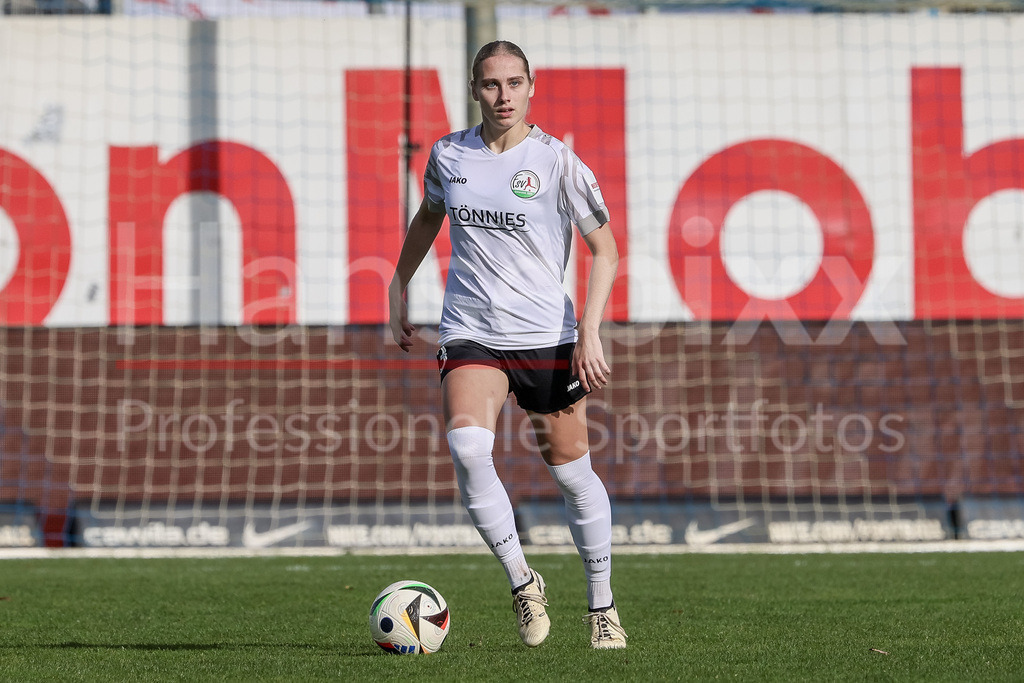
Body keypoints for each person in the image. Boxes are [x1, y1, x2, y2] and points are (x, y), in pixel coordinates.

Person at [388, 40, 626, 650]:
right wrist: (398, 284)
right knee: (468, 449)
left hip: (547, 335)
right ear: (475, 89)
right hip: (470, 331)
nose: (504, 96)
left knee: (573, 474)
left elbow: (606, 249)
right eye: (492, 85)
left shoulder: (556, 161)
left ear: (531, 87)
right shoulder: (448, 155)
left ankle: (601, 606)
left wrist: (590, 330)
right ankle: (524, 585)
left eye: (515, 84)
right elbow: (427, 219)